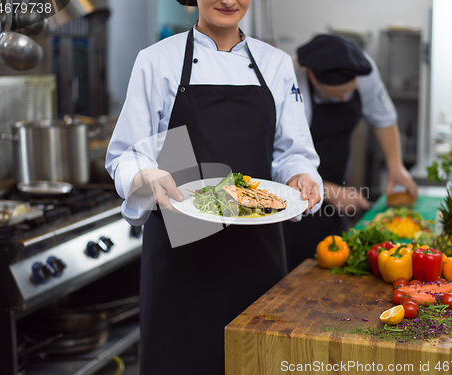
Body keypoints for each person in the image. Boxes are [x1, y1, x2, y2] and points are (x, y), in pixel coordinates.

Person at [105, 1, 323, 373]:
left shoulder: (275, 63)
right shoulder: (157, 60)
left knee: (254, 364)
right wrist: (143, 177)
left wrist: (300, 176)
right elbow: (126, 155)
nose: (228, 0)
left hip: (257, 258)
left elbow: (293, 152)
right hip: (181, 262)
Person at [283, 34, 418, 272]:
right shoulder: (291, 79)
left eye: (348, 91)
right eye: (336, 94)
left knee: (334, 256)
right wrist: (325, 189)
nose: (345, 98)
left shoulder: (362, 68)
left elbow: (383, 118)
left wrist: (396, 166)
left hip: (337, 177)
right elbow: (284, 154)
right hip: (293, 191)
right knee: (298, 266)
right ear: (313, 76)